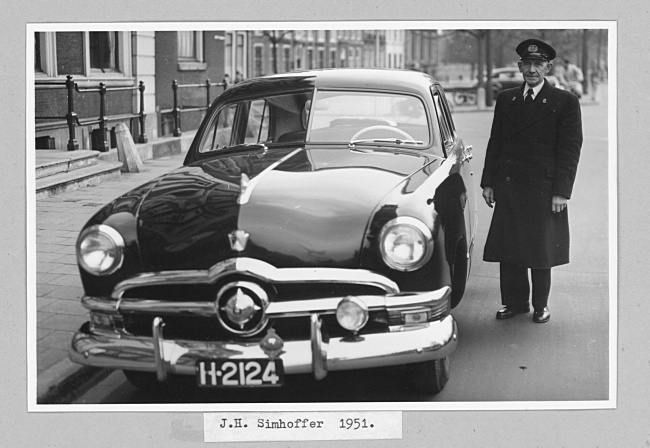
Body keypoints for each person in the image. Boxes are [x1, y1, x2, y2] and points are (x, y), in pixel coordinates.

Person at [480, 38, 583, 323]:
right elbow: (495, 143)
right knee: (510, 248)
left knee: (540, 250)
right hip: (510, 185)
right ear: (520, 66)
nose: (532, 70)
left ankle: (540, 305)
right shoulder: (507, 98)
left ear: (548, 67)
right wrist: (489, 182)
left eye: (538, 64)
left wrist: (561, 191)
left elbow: (569, 150)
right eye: (527, 64)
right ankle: (514, 303)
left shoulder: (565, 102)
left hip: (543, 189)